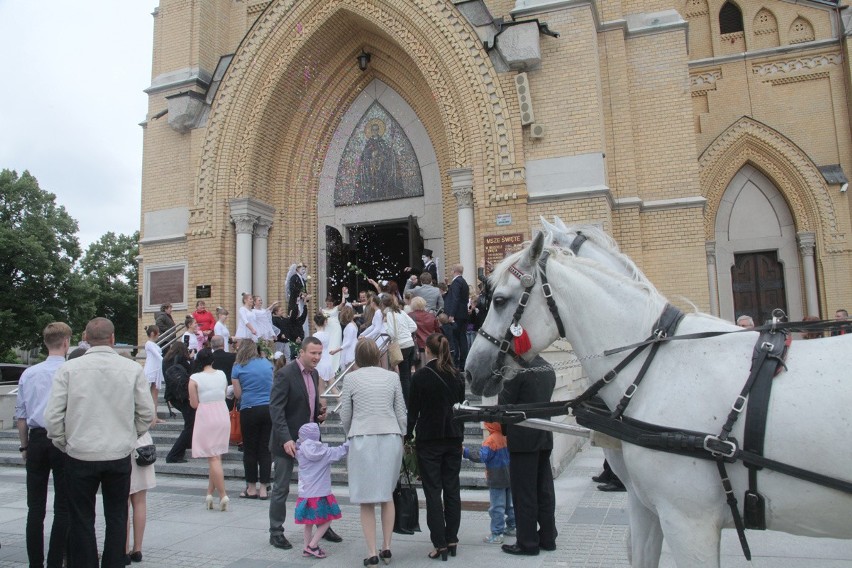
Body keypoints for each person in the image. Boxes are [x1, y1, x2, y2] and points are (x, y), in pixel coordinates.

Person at [44, 317, 155, 568]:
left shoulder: (68, 369)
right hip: (117, 454)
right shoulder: (131, 369)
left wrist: (65, 442)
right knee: (117, 515)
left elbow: (52, 417)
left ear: (85, 338)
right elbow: (147, 413)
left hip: (80, 453)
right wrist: (130, 436)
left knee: (81, 517)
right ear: (113, 338)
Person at [268, 337, 342, 550]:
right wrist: (286, 438)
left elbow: (307, 404)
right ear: (301, 352)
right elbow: (276, 409)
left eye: (320, 353)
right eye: (313, 353)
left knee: (319, 486)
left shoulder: (315, 373)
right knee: (281, 487)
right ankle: (276, 531)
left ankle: (322, 526)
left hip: (311, 441)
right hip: (287, 442)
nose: (317, 358)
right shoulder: (285, 374)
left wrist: (318, 414)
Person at [339, 338, 407, 566]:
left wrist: (351, 431)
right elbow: (401, 411)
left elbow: (345, 413)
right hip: (390, 435)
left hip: (363, 436)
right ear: (378, 355)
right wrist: (403, 434)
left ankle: (371, 551)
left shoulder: (350, 379)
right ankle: (387, 545)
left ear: (357, 357)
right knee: (387, 494)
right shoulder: (392, 377)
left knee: (365, 498)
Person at [15, 322, 71, 568]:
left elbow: (21, 415)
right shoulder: (71, 370)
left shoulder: (29, 373)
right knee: (63, 507)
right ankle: (55, 562)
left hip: (37, 438)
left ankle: (35, 563)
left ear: (46, 343)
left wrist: (24, 446)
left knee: (35, 508)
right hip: (63, 439)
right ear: (67, 342)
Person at [406, 333, 466, 560]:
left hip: (429, 439)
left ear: (427, 351)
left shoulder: (421, 376)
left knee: (433, 492)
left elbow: (413, 411)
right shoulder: (457, 376)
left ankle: (439, 543)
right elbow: (461, 409)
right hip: (452, 437)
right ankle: (452, 538)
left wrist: (407, 434)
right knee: (452, 489)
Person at [497, 355, 557, 556]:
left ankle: (527, 542)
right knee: (544, 488)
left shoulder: (515, 371)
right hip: (544, 434)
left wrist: (505, 431)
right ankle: (548, 536)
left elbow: (504, 406)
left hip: (523, 438)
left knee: (525, 493)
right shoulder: (547, 367)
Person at [294, 422, 349, 559]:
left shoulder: (299, 452)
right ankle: (313, 545)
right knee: (327, 519)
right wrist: (351, 441)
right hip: (320, 494)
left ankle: (306, 548)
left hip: (305, 494)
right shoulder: (325, 453)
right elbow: (341, 451)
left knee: (308, 522)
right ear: (317, 436)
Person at [188, 348, 231, 511]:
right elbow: (225, 392)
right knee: (215, 456)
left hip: (206, 414)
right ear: (212, 360)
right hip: (222, 413)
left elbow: (193, 404)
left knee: (213, 457)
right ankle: (209, 494)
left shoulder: (194, 378)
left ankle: (223, 495)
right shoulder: (221, 374)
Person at [231, 340, 273, 500]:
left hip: (249, 409)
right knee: (264, 449)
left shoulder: (238, 367)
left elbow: (238, 394)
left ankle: (251, 488)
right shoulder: (267, 364)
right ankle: (264, 488)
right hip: (268, 408)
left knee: (250, 449)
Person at [463, 422, 516, 544]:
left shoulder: (491, 440)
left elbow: (481, 457)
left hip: (496, 478)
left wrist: (465, 452)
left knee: (497, 507)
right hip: (509, 476)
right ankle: (513, 526)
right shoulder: (506, 436)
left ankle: (497, 533)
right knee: (510, 505)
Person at [126, 431, 156, 564]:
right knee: (140, 501)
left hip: (122, 443)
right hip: (142, 444)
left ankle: (124, 549)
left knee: (122, 503)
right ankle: (137, 549)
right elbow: (152, 420)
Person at [382, 295, 418, 403]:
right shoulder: (401, 312)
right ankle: (413, 400)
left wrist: (386, 326)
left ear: (383, 304)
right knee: (408, 375)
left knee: (404, 377)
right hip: (410, 344)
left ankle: (407, 403)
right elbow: (414, 326)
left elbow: (392, 333)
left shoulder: (389, 314)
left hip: (401, 346)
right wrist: (406, 332)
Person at [163, 342, 194, 463]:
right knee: (190, 424)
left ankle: (187, 443)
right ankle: (174, 454)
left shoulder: (165, 361)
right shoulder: (182, 361)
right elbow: (191, 374)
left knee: (190, 422)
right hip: (184, 396)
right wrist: (191, 360)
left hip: (172, 396)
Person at [443, 264, 470, 368]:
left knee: (457, 339)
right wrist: (448, 285)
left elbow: (455, 298)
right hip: (462, 313)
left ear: (454, 270)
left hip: (457, 315)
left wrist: (451, 314)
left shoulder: (457, 282)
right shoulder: (462, 282)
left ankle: (458, 362)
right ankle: (463, 361)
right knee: (462, 337)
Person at [408, 296, 442, 370]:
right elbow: (438, 332)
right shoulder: (431, 316)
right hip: (431, 345)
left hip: (417, 346)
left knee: (420, 370)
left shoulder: (409, 316)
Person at [143, 325, 165, 425]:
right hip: (151, 370)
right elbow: (158, 356)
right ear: (152, 333)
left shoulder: (153, 344)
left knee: (155, 394)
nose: (159, 334)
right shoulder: (149, 344)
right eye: (158, 332)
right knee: (148, 394)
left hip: (156, 370)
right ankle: (148, 417)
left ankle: (154, 416)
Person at [310, 313, 335, 393]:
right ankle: (342, 403)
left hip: (320, 363)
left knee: (320, 390)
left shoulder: (315, 336)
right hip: (328, 361)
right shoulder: (327, 334)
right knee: (333, 387)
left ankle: (322, 405)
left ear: (315, 322)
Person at [338, 305, 358, 372]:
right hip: (353, 347)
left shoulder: (350, 326)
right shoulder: (353, 324)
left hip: (350, 349)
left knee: (350, 370)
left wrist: (337, 350)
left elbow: (348, 342)